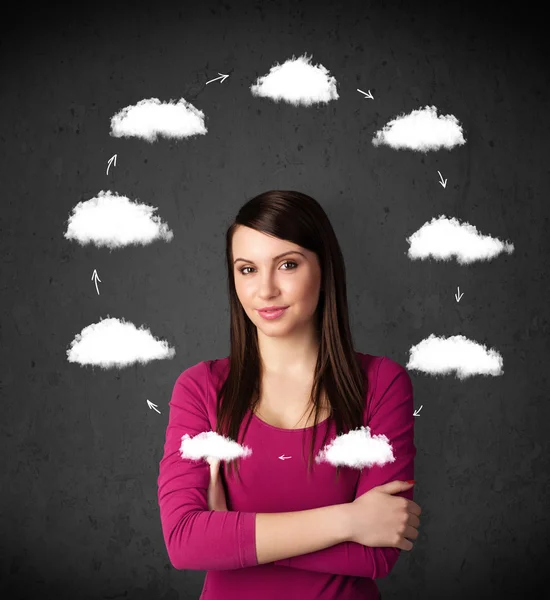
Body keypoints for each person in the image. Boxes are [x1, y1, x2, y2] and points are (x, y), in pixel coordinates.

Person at [157, 190, 421, 600]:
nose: (265, 290)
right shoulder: (200, 389)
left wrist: (232, 534)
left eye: (287, 265)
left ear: (324, 268)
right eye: (247, 269)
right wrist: (350, 520)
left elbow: (378, 555)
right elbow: (185, 541)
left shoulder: (381, 383)